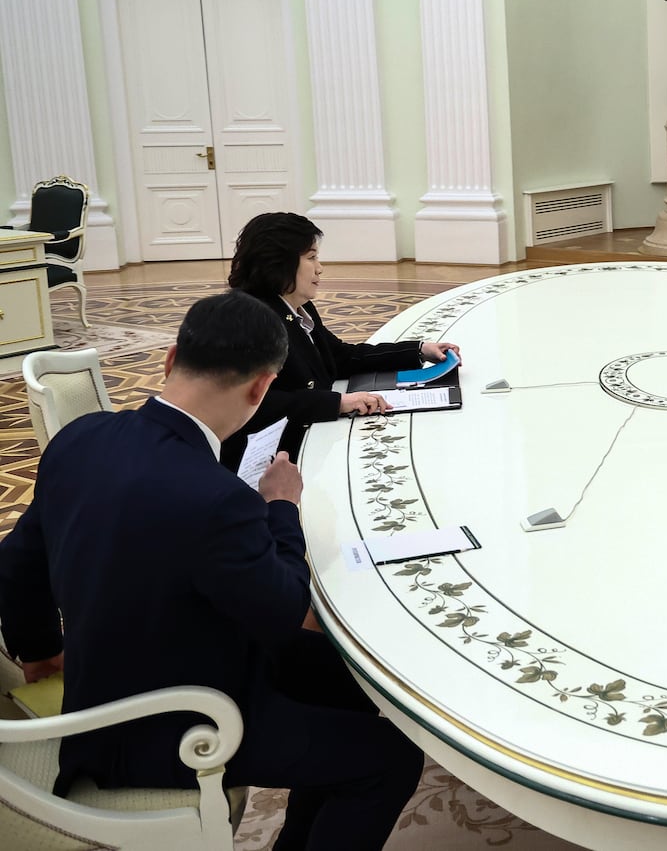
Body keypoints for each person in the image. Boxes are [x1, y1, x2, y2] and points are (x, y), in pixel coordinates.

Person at [0, 293, 424, 850]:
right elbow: (284, 611)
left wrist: (38, 653)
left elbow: (15, 565)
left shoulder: (81, 437)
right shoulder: (220, 498)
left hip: (104, 673)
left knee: (338, 678)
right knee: (389, 759)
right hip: (168, 726)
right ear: (260, 387)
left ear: (171, 357)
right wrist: (280, 508)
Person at [220, 212, 459, 471]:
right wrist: (339, 403)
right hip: (265, 463)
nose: (320, 267)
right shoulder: (251, 320)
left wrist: (419, 350)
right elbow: (254, 404)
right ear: (278, 262)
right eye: (311, 257)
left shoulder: (297, 307)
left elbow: (341, 356)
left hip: (307, 439)